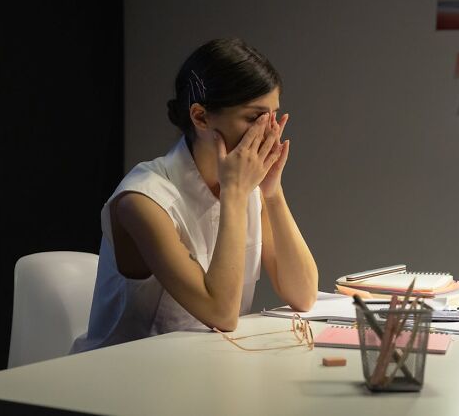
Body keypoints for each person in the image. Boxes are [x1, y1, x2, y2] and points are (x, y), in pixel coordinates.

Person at [71, 38, 318, 353]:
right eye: (254, 118)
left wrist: (272, 190)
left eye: (273, 117)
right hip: (124, 381)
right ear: (201, 117)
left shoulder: (248, 188)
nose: (268, 132)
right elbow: (222, 314)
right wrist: (234, 194)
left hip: (203, 370)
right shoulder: (143, 199)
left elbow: (304, 293)